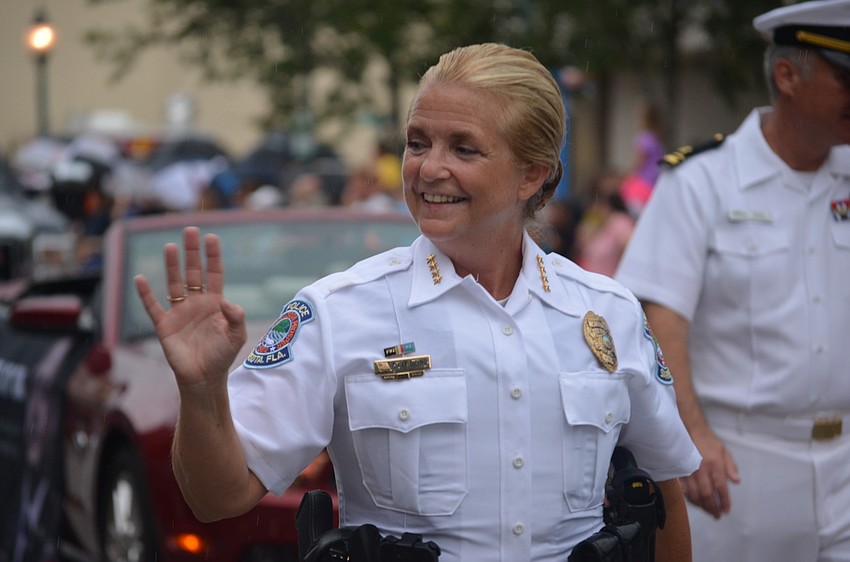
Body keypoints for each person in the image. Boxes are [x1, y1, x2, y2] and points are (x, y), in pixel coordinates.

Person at [134, 43, 700, 561]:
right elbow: (219, 496)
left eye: (464, 148)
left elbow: (661, 495)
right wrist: (203, 389)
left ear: (533, 174)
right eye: (417, 143)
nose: (429, 168)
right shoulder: (338, 312)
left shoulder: (607, 313)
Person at [615, 2, 850, 561]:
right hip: (739, 467)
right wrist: (690, 434)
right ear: (788, 76)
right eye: (847, 80)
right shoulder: (704, 180)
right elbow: (659, 314)